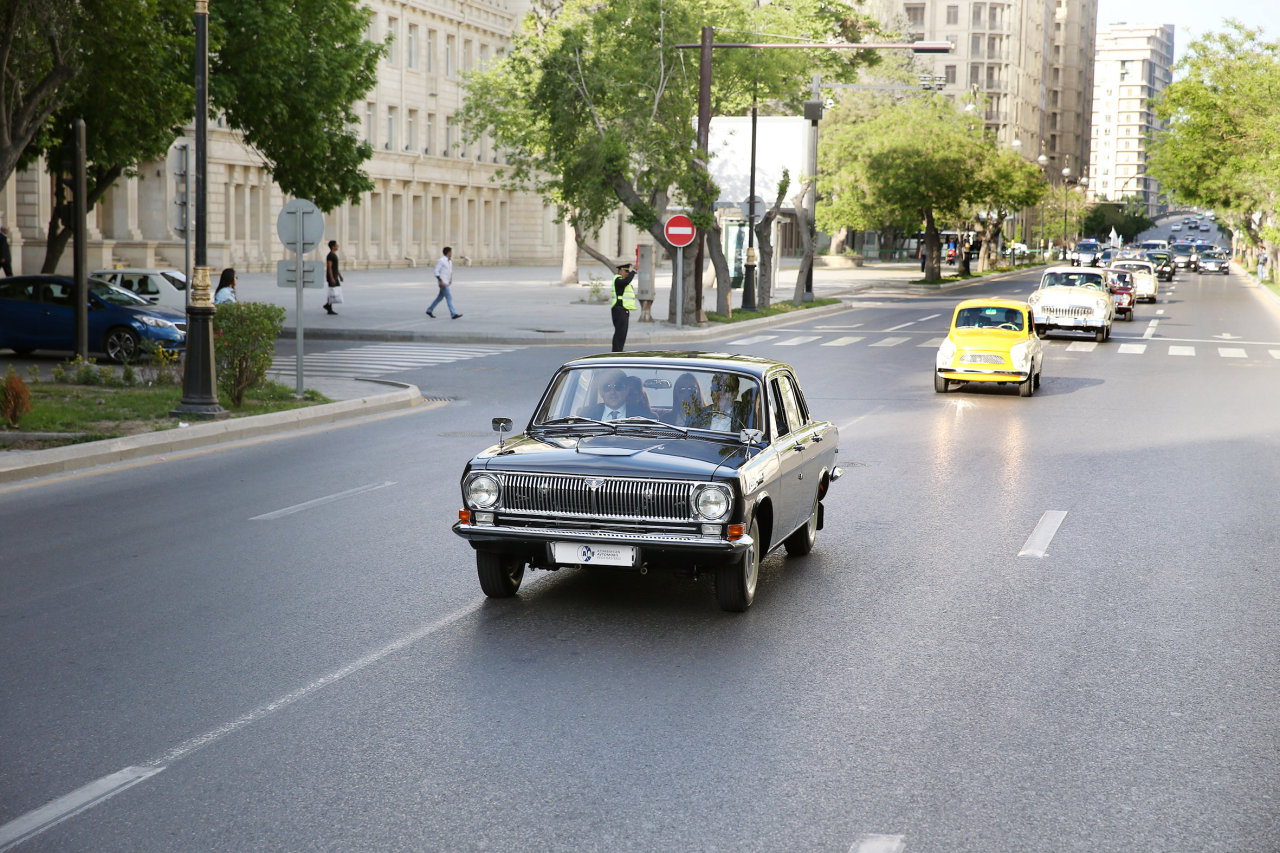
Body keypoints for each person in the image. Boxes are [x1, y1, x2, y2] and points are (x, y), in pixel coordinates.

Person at [426, 245, 461, 319]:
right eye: (451, 252)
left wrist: (451, 279)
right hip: (443, 282)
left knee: (440, 298)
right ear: (448, 252)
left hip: (446, 281)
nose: (451, 253)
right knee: (449, 298)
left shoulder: (449, 261)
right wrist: (441, 281)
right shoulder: (441, 260)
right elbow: (436, 272)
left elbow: (450, 271)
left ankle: (429, 310)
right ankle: (453, 314)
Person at [610, 261, 636, 352]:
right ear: (620, 271)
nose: (628, 274)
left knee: (623, 333)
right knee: (619, 333)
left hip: (623, 310)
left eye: (628, 272)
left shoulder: (621, 280)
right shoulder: (618, 279)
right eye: (626, 271)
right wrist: (634, 271)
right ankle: (616, 351)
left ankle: (619, 350)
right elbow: (626, 281)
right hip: (619, 310)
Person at [324, 239, 343, 315]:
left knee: (333, 291)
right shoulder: (330, 256)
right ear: (333, 246)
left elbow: (336, 267)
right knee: (332, 291)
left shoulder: (334, 255)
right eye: (336, 245)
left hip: (335, 276)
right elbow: (329, 267)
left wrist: (340, 276)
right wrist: (331, 278)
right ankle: (329, 307)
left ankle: (328, 305)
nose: (338, 246)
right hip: (331, 276)